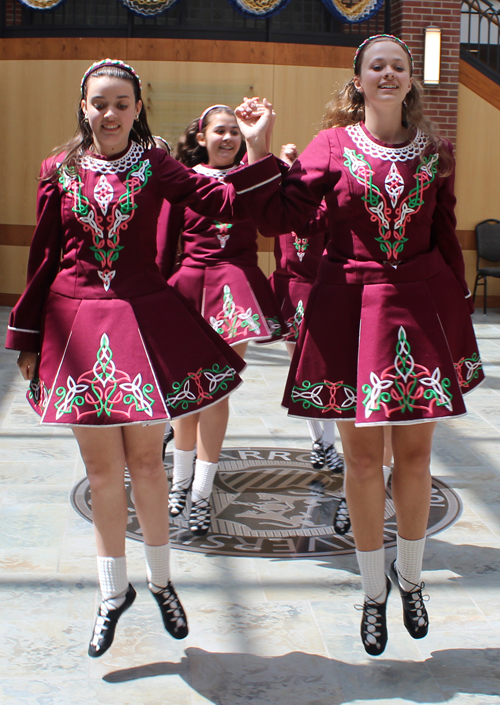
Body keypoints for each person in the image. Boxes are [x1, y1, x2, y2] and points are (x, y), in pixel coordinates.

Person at [5, 59, 271, 658]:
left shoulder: (155, 162)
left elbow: (220, 198)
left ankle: (160, 581)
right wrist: (27, 337)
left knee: (147, 467)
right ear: (84, 105)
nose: (109, 114)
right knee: (102, 474)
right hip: (74, 325)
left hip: (142, 319)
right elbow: (44, 255)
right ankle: (111, 594)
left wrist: (256, 151)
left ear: (137, 108)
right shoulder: (59, 168)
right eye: (100, 102)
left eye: (121, 103)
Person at [230, 35, 484, 656]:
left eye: (399, 65)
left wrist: (458, 317)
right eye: (378, 66)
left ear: (410, 80)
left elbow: (445, 237)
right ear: (359, 80)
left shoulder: (436, 152)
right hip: (350, 311)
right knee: (365, 461)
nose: (389, 73)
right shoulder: (331, 145)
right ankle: (374, 592)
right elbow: (279, 217)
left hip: (420, 310)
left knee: (418, 459)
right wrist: (259, 148)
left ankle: (413, 578)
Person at [156, 105, 285, 537]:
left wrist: (259, 142)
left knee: (214, 392)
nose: (228, 138)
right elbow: (162, 244)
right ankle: (179, 484)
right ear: (202, 137)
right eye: (220, 131)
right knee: (184, 391)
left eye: (234, 131)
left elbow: (272, 224)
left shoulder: (253, 175)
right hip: (187, 289)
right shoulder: (183, 178)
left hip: (238, 290)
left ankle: (200, 493)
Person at [272, 143, 344, 475]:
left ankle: (323, 444)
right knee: (300, 373)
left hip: (318, 292)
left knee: (318, 372)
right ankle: (322, 444)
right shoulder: (279, 210)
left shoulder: (325, 208)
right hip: (289, 291)